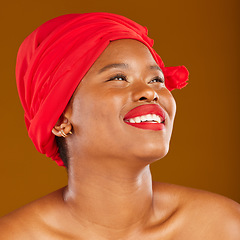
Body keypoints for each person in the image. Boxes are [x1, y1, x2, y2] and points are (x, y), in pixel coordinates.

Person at [0, 13, 239, 239]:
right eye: (118, 78)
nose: (149, 91)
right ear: (61, 119)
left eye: (156, 80)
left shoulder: (223, 226)